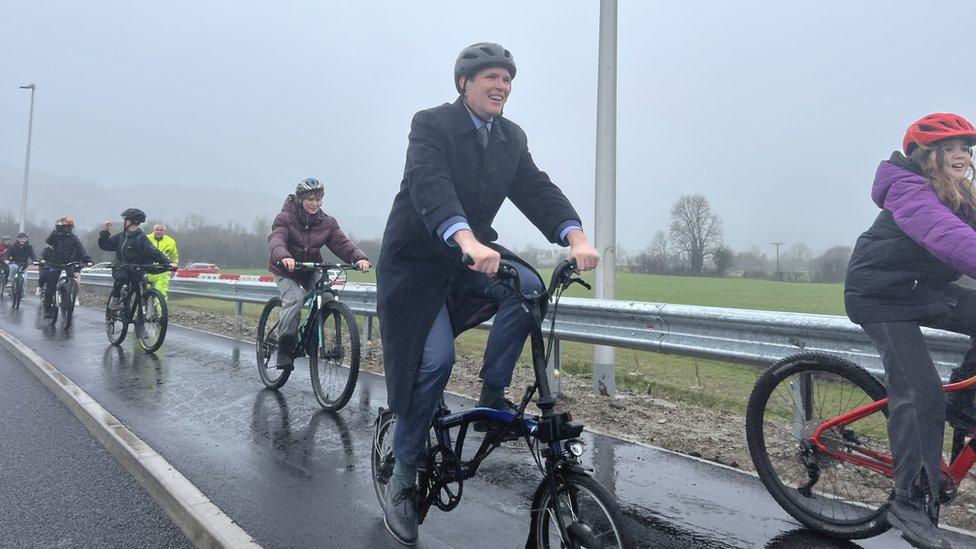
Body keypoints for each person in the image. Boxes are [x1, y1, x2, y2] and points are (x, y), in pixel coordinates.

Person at [375, 42, 599, 545]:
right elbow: (430, 186)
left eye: (507, 79)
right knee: (432, 362)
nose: (501, 86)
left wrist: (574, 235)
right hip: (416, 265)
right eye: (490, 77)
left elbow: (536, 188)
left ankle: (492, 395)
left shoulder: (510, 138)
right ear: (464, 84)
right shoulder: (430, 125)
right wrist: (465, 236)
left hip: (469, 258)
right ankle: (404, 478)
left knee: (527, 288)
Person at [845, 113, 976, 549]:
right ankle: (909, 502)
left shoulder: (961, 193)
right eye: (952, 148)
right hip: (879, 296)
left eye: (967, 149)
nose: (962, 155)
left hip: (919, 290)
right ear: (929, 155)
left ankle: (961, 399)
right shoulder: (909, 190)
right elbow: (947, 237)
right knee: (920, 393)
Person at [267, 177, 371, 370]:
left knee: (327, 296)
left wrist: (359, 257)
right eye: (310, 199)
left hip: (311, 267)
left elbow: (342, 243)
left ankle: (312, 339)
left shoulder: (327, 223)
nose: (314, 204)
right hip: (285, 268)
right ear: (300, 199)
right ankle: (285, 348)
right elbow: (276, 240)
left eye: (318, 199)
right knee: (295, 299)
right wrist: (284, 256)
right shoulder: (285, 218)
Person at [98, 208, 175, 309]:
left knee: (141, 290)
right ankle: (115, 299)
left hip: (137, 269)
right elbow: (105, 245)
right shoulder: (121, 236)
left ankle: (141, 315)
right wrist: (105, 232)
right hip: (121, 268)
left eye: (125, 219)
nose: (123, 222)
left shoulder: (141, 238)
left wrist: (168, 263)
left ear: (130, 221)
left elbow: (154, 252)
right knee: (120, 279)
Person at [41, 216, 93, 318]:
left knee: (72, 281)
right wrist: (56, 232)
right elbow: (48, 241)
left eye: (68, 227)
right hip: (55, 263)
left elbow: (81, 248)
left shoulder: (73, 238)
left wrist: (87, 259)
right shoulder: (55, 235)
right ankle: (47, 309)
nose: (66, 229)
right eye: (64, 227)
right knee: (50, 287)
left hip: (69, 263)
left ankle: (70, 298)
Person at [146, 223, 179, 297]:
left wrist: (174, 268)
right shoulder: (146, 239)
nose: (159, 231)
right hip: (147, 269)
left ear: (165, 231)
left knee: (161, 293)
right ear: (153, 230)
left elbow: (173, 256)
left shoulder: (170, 241)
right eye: (157, 229)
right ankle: (147, 307)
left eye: (161, 230)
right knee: (147, 293)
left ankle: (161, 308)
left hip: (163, 270)